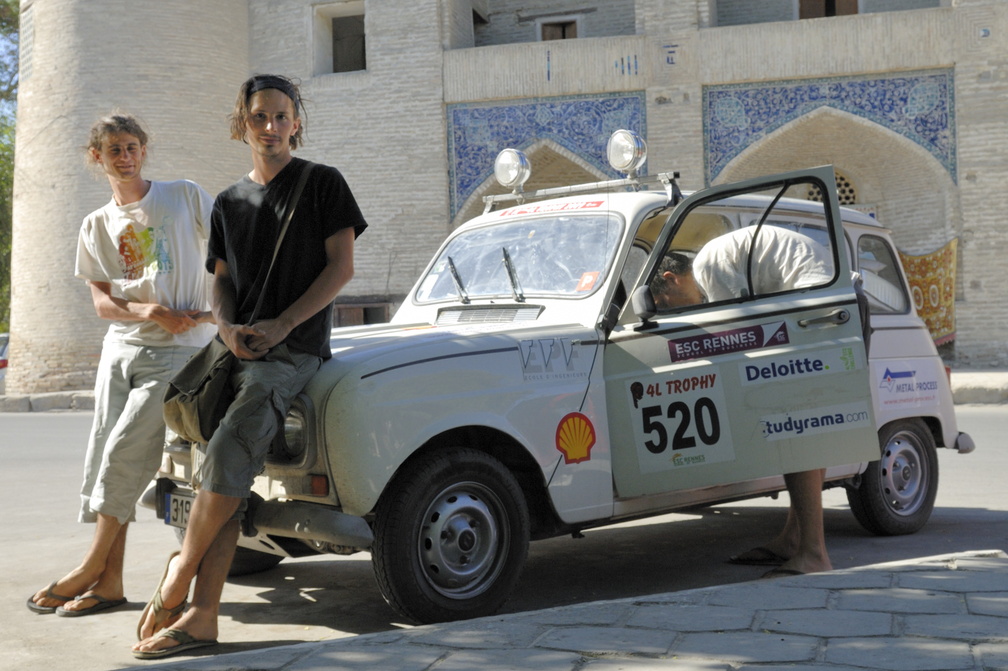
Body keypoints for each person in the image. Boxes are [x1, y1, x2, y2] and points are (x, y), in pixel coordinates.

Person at [132, 74, 367, 659]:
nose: (271, 128)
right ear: (243, 124)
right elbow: (222, 282)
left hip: (293, 350)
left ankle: (180, 572)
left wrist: (283, 325)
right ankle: (203, 616)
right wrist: (228, 328)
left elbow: (340, 269)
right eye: (259, 117)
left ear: (296, 122)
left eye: (281, 116)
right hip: (234, 348)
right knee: (221, 470)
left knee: (233, 444)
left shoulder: (322, 184)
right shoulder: (229, 202)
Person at [27, 114, 215, 616]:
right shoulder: (95, 224)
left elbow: (232, 254)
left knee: (127, 451)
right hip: (122, 347)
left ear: (144, 149)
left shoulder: (184, 196)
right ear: (98, 158)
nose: (125, 156)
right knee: (103, 455)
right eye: (114, 150)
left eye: (132, 146)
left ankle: (90, 565)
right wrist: (145, 310)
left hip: (182, 348)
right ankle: (110, 584)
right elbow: (103, 304)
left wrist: (219, 314)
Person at [686, 225, 838, 578]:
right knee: (807, 432)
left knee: (794, 431)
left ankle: (814, 554)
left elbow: (738, 329)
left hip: (816, 309)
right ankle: (795, 538)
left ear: (671, 279)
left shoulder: (708, 266)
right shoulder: (723, 253)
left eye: (665, 304)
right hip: (832, 306)